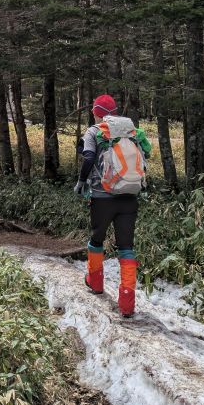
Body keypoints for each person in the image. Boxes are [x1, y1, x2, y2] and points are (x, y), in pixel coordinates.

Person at [74, 94, 152, 317]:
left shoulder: (94, 132)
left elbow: (88, 157)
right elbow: (147, 153)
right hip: (130, 196)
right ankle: (127, 303)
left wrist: (81, 182)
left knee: (96, 239)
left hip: (102, 197)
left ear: (96, 112)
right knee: (126, 247)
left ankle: (95, 282)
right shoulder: (134, 132)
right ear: (115, 112)